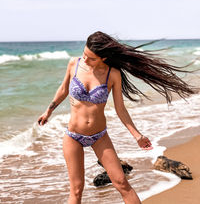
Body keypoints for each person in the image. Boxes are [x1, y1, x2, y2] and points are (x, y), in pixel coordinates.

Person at [38, 31, 195, 204]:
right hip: (73, 136)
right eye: (84, 55)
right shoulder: (74, 64)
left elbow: (121, 109)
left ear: (103, 58)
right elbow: (63, 89)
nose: (86, 60)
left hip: (99, 136)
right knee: (76, 189)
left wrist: (137, 136)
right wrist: (48, 111)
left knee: (122, 183)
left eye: (91, 58)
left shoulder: (112, 74)